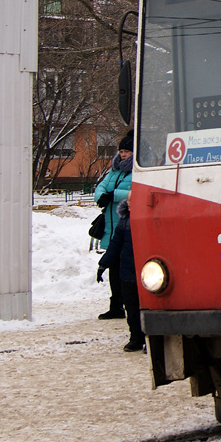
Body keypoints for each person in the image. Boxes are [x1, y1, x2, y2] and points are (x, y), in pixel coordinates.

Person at [93, 132, 133, 320]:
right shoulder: (115, 170)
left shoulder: (137, 170)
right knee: (113, 268)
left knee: (124, 269)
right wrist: (101, 196)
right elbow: (101, 187)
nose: (123, 155)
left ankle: (129, 304)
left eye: (127, 151)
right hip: (111, 226)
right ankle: (116, 305)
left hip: (125, 226)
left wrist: (113, 194)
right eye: (122, 151)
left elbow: (136, 192)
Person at [97, 199, 144, 352]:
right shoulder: (124, 222)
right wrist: (104, 264)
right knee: (131, 308)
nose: (131, 203)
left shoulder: (149, 219)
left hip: (148, 272)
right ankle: (136, 338)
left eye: (134, 200)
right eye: (129, 201)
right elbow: (115, 245)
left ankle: (151, 338)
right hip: (128, 272)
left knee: (148, 308)